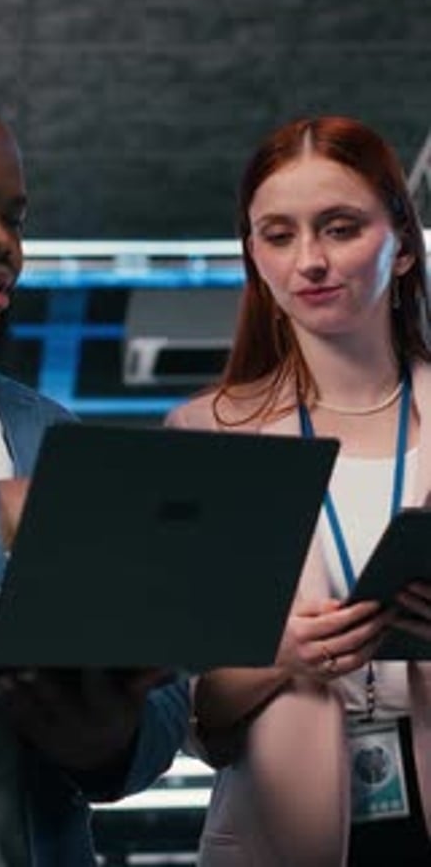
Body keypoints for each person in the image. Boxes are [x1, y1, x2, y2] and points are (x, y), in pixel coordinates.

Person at [0, 84, 189, 867]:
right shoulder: (35, 490)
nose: (2, 240)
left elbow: (167, 696)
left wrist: (112, 741)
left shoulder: (53, 438)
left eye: (14, 218)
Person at [167, 115, 431, 866]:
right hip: (278, 837)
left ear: (404, 246)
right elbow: (181, 710)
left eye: (340, 227)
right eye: (278, 235)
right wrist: (277, 655)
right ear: (254, 255)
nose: (309, 260)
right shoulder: (205, 434)